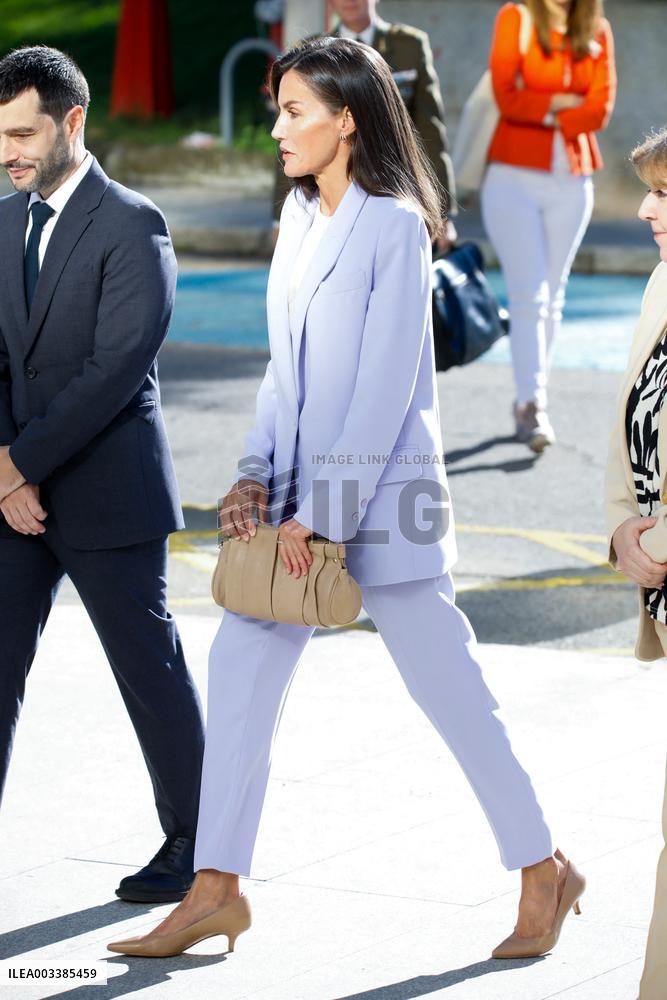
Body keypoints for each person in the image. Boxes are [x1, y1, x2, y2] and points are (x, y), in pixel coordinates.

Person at [108, 36, 584, 960]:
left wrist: (319, 516)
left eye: (294, 111)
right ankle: (215, 887)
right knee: (240, 670)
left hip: (380, 505)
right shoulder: (300, 219)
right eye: (276, 109)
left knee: (450, 693)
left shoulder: (395, 225)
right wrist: (253, 475)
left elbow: (381, 387)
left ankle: (543, 868)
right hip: (293, 504)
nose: (276, 128)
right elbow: (284, 374)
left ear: (348, 119)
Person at [0, 46, 205, 903]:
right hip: (13, 494)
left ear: (72, 121)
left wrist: (19, 461)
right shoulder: (4, 221)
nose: (8, 152)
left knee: (148, 674)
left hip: (108, 489)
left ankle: (198, 848)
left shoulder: (133, 222)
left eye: (23, 133)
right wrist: (6, 472)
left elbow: (115, 368)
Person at [481, 0, 615, 452]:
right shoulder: (514, 18)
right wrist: (564, 104)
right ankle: (531, 403)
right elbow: (506, 97)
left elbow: (599, 110)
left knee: (553, 296)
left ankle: (534, 395)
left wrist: (543, 106)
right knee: (529, 295)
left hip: (573, 180)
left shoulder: (597, 28)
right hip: (512, 178)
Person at [605, 127, 667, 1000]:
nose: (648, 209)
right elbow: (629, 416)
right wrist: (622, 524)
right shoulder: (662, 282)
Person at [273, 0, 457, 250]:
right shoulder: (312, 53)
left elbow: (429, 131)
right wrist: (280, 215)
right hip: (334, 196)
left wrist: (442, 212)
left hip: (391, 187)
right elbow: (296, 137)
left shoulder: (408, 47)